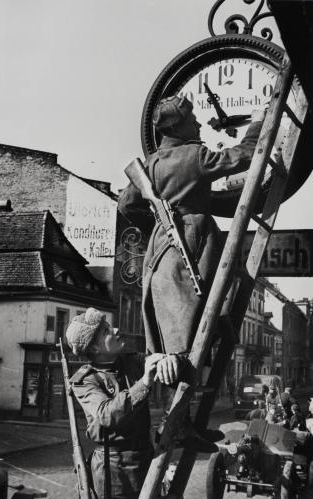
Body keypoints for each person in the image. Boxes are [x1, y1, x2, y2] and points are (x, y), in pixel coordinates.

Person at [118, 95, 265, 422]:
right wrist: (256, 123)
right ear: (178, 125)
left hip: (161, 254)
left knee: (177, 340)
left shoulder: (151, 163)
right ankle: (181, 424)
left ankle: (183, 422)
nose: (198, 123)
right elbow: (242, 156)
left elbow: (126, 204)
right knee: (200, 326)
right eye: (192, 119)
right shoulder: (193, 156)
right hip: (195, 246)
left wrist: (160, 223)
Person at [66, 307, 182, 499]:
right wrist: (144, 382)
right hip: (113, 471)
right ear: (94, 348)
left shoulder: (132, 361)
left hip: (147, 459)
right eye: (106, 331)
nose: (116, 330)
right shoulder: (85, 380)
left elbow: (154, 360)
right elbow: (108, 414)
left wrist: (169, 359)